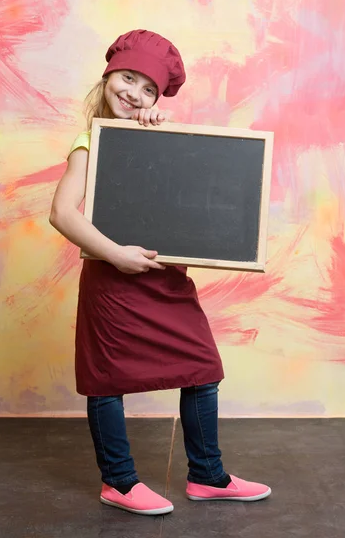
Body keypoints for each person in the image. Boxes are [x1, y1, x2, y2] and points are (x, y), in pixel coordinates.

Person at [49, 29, 271, 516]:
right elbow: (63, 214)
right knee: (107, 380)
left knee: (202, 367)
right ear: (108, 76)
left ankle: (207, 476)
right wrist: (115, 255)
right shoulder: (89, 141)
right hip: (112, 279)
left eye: (149, 88)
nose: (135, 93)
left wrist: (159, 136)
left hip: (165, 278)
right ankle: (120, 482)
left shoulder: (159, 135)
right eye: (128, 79)